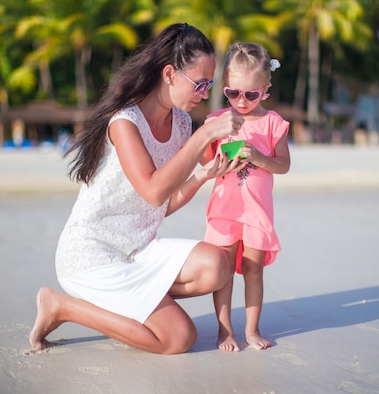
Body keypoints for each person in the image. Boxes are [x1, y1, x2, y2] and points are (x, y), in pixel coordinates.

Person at [29, 23, 247, 355]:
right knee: (178, 338)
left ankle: (139, 299)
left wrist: (203, 175)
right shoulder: (124, 121)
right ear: (170, 74)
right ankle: (61, 306)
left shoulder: (182, 122)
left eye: (210, 84)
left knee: (217, 265)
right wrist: (204, 136)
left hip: (140, 251)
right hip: (93, 254)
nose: (205, 94)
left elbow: (162, 204)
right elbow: (153, 191)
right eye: (200, 84)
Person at [200, 42, 290, 351]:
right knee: (223, 272)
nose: (241, 101)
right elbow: (204, 162)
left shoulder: (273, 123)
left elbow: (283, 165)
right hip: (225, 207)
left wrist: (261, 158)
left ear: (265, 88)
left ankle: (252, 329)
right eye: (233, 93)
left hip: (256, 212)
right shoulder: (217, 119)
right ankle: (225, 331)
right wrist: (208, 139)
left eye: (250, 94)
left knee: (253, 270)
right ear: (225, 87)